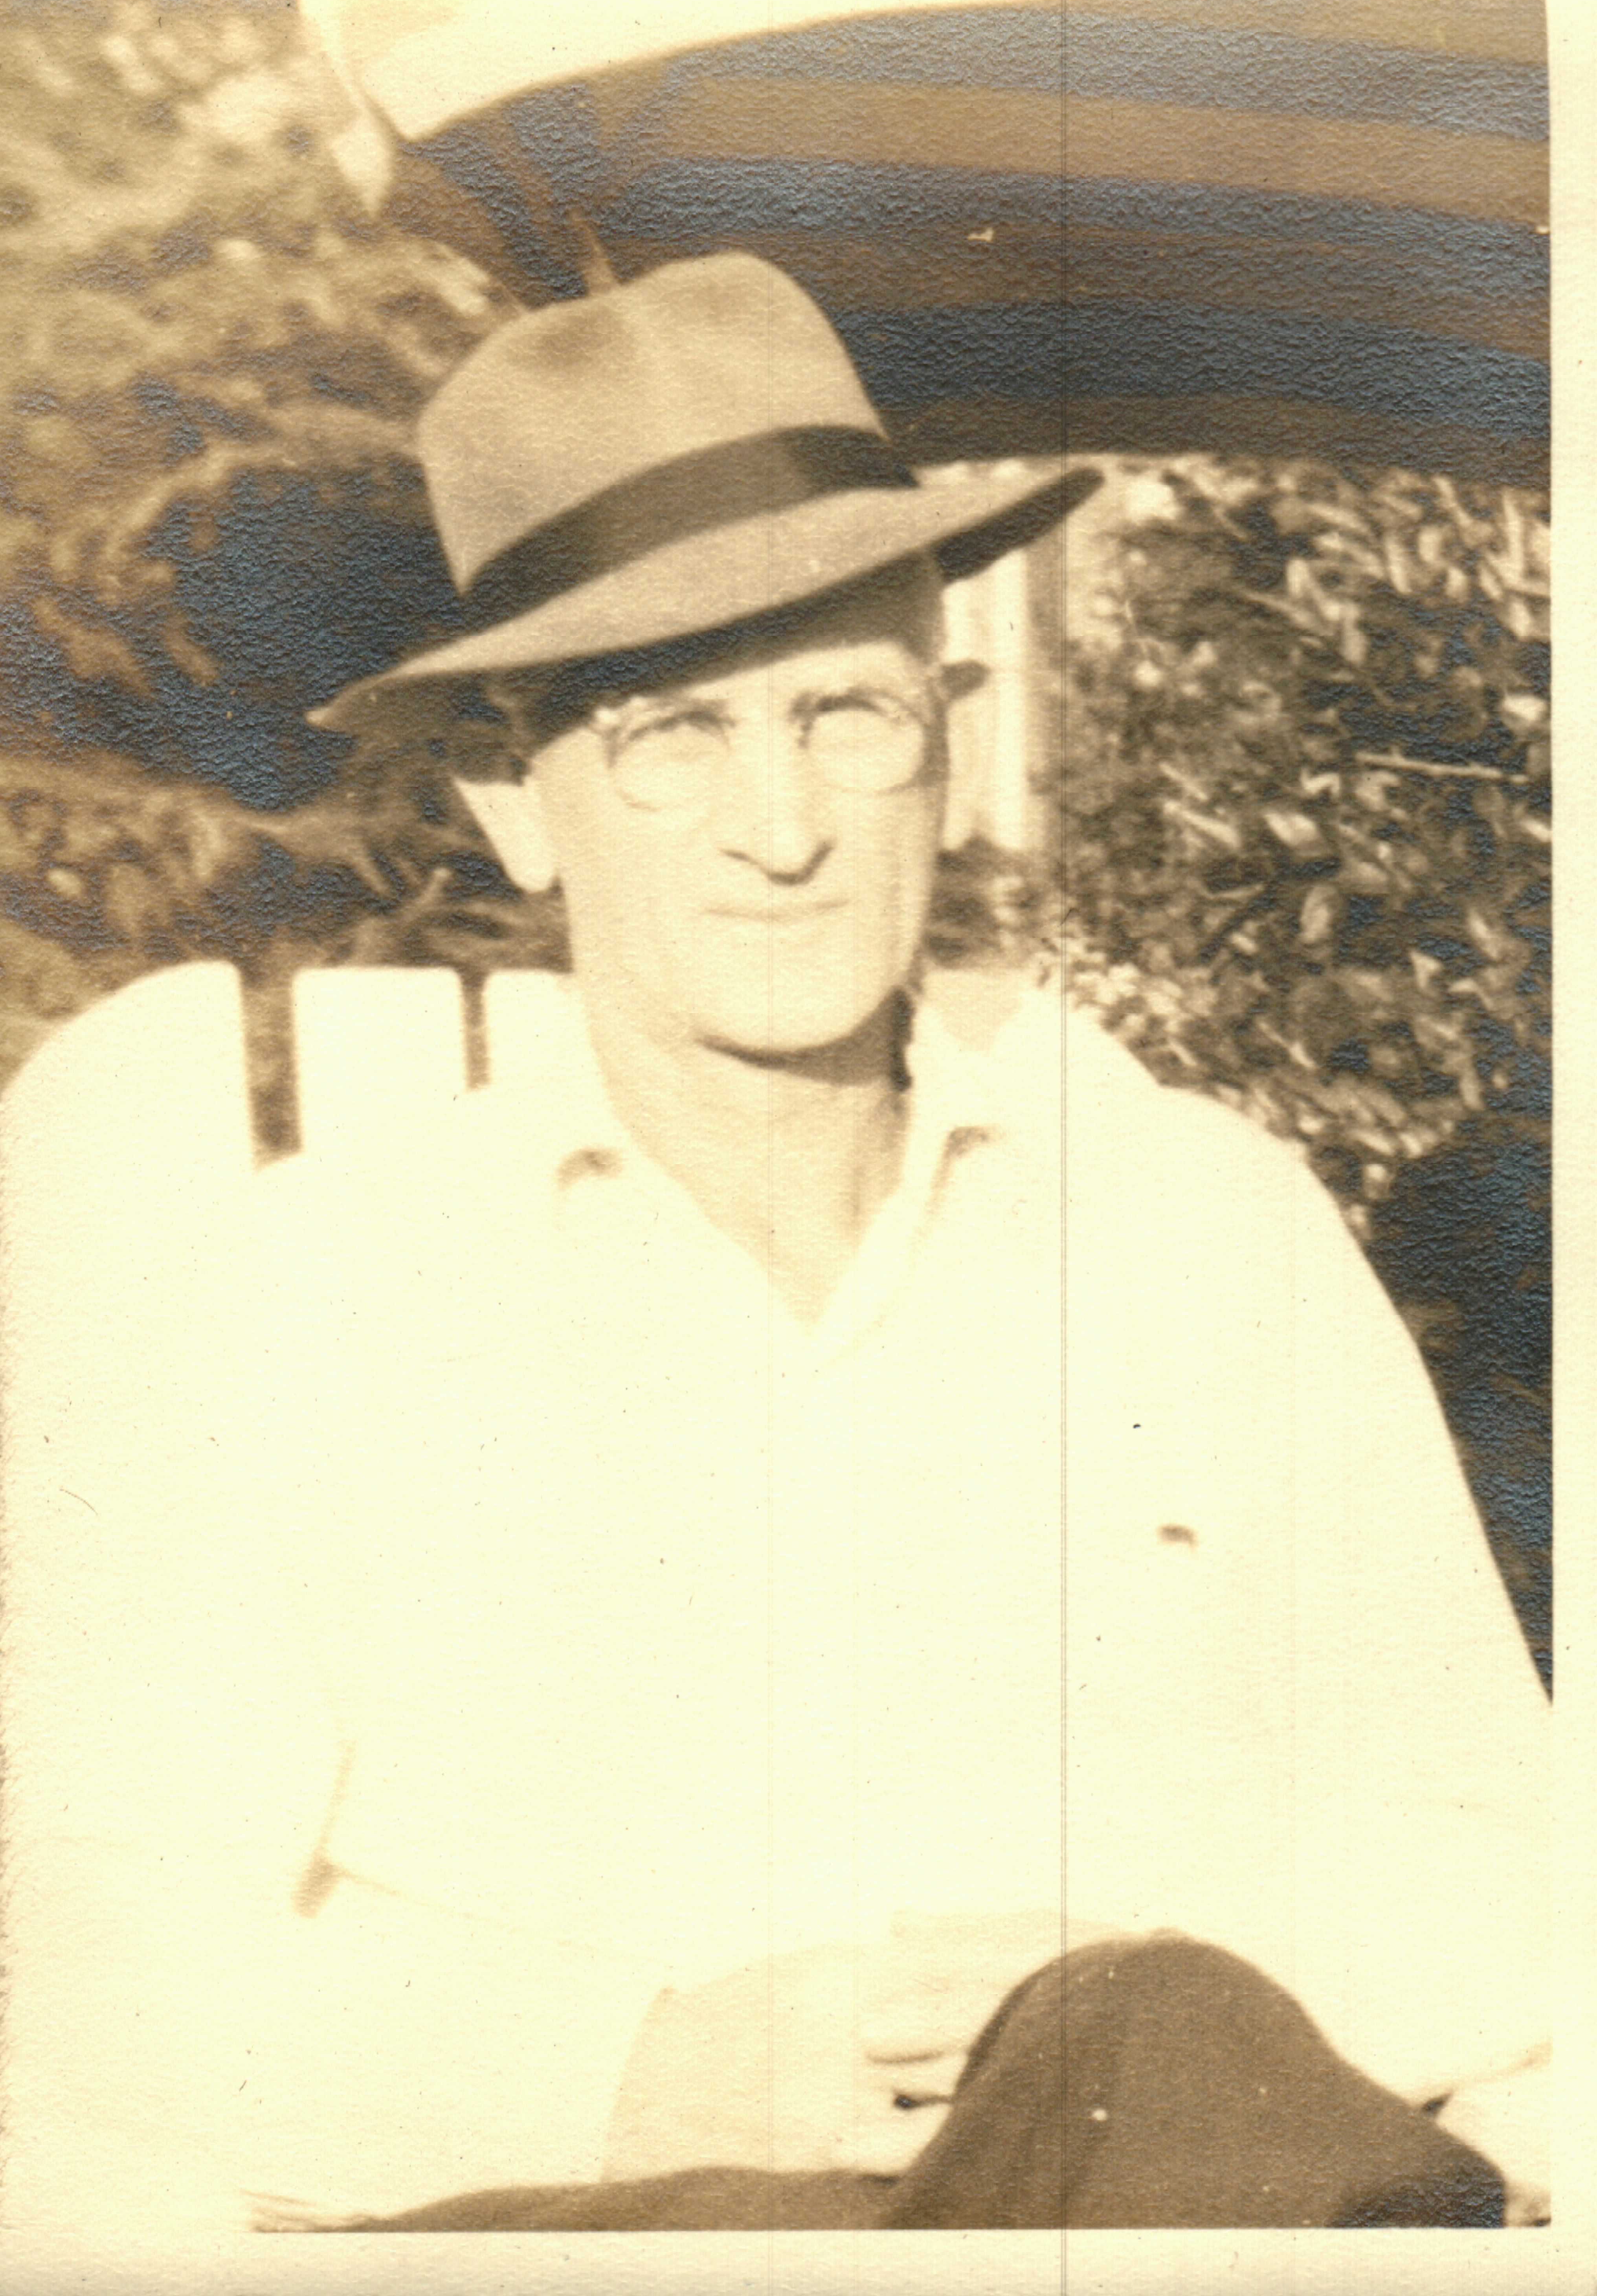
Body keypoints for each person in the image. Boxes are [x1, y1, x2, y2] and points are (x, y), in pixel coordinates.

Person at [0, 253, 1549, 2231]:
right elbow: (100, 1958)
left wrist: (1139, 2004)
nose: (782, 827)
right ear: (518, 806)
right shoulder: (300, 1303)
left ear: (950, 746)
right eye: (671, 736)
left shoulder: (1200, 1240)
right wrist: (626, 2070)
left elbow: (1490, 1853)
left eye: (845, 717)